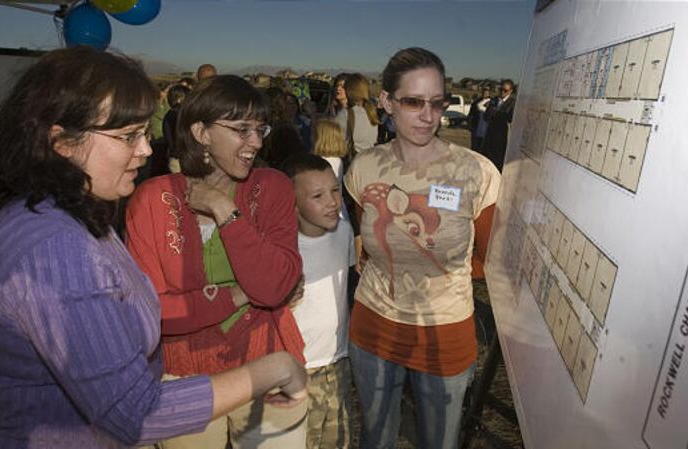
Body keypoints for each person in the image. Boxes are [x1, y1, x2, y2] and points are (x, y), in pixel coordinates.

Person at [0, 47, 306, 449]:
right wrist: (273, 366)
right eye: (129, 136)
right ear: (63, 143)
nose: (146, 150)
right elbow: (133, 411)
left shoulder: (63, 216)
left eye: (144, 133)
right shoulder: (56, 248)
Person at [125, 74, 308, 449]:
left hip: (269, 369)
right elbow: (155, 313)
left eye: (260, 129)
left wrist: (224, 209)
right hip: (184, 380)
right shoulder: (150, 200)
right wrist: (239, 295)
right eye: (242, 130)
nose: (256, 142)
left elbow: (273, 288)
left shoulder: (272, 187)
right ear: (202, 132)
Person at [344, 47, 501, 449]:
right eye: (413, 102)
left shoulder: (476, 172)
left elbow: (490, 257)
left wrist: (445, 274)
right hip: (374, 329)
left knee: (440, 441)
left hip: (443, 335)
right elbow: (365, 240)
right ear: (387, 102)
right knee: (376, 438)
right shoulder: (364, 168)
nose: (428, 115)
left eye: (437, 102)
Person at [282, 154, 355, 449]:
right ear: (293, 204)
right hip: (297, 368)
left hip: (338, 361)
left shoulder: (344, 232)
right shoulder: (283, 249)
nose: (331, 202)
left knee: (338, 440)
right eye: (317, 195)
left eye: (335, 190)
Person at [481, 79, 516, 171]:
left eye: (505, 90)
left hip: (502, 137)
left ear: (511, 91)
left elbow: (511, 118)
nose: (502, 92)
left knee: (498, 163)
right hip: (489, 136)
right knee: (486, 161)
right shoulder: (493, 100)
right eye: (501, 89)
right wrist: (489, 112)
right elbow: (485, 117)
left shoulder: (513, 103)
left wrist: (497, 113)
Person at [344, 73, 379, 154]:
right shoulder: (371, 112)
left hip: (354, 160)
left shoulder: (346, 114)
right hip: (370, 159)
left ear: (349, 91)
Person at [467, 86, 491, 152]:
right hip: (476, 126)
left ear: (489, 93)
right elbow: (471, 114)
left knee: (483, 147)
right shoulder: (476, 102)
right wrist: (469, 123)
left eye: (487, 92)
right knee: (474, 146)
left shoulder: (491, 102)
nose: (485, 94)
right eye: (484, 92)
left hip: (486, 128)